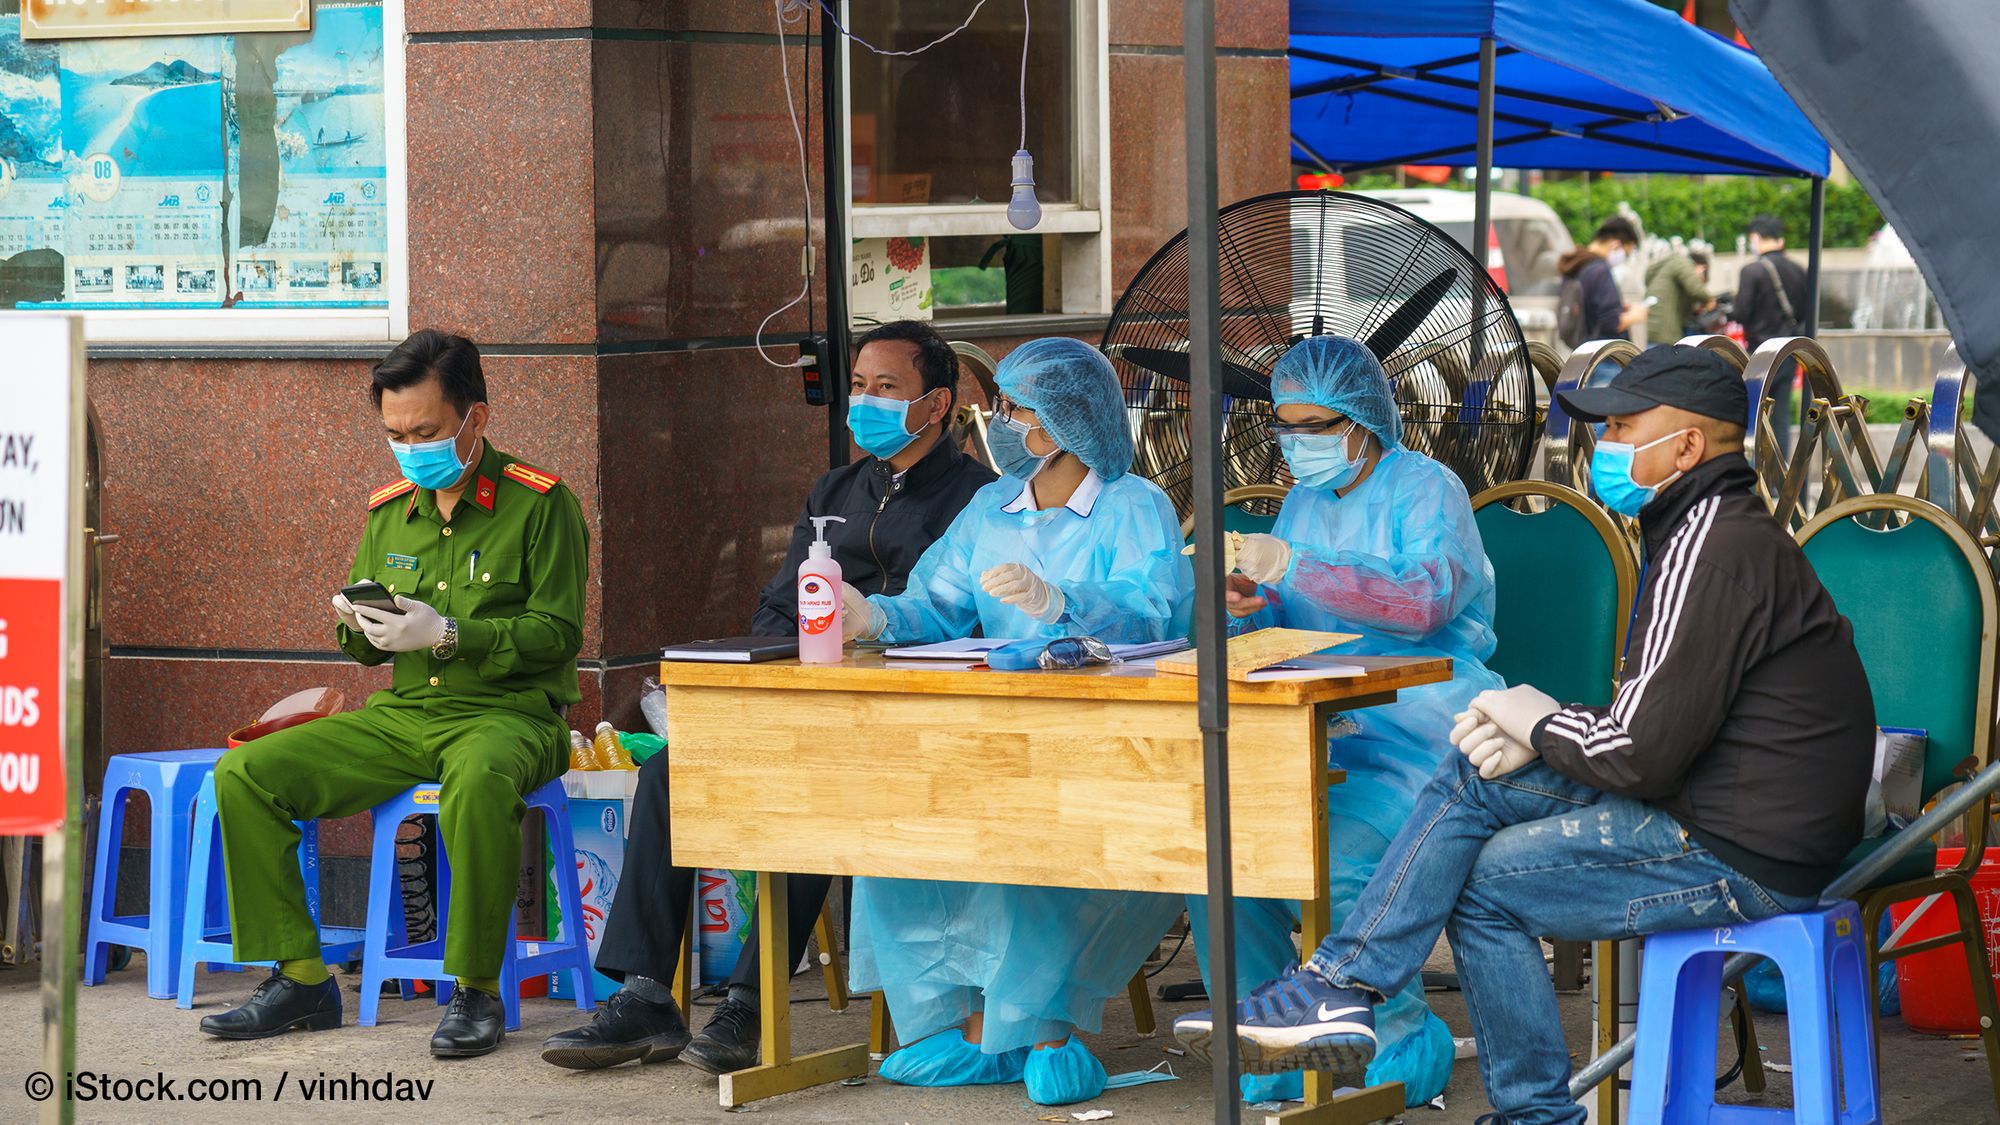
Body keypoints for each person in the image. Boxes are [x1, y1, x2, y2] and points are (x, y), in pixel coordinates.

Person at [1175, 345, 1876, 1125]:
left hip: (1742, 845)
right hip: (1717, 796)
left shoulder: (1711, 549)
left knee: (1479, 881)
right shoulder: (1707, 530)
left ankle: (1469, 1070)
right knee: (1476, 774)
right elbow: (1655, 729)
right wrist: (1535, 732)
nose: (1604, 445)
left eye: (1623, 426)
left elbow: (1637, 751)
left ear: (1684, 447)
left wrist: (1538, 719)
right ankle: (1344, 989)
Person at [540, 320, 994, 1074]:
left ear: (938, 403)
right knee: (668, 775)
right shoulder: (838, 489)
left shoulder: (977, 499)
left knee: (813, 798)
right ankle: (647, 993)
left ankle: (748, 1004)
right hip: (801, 707)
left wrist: (873, 636)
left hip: (906, 728)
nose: (865, 401)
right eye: (859, 385)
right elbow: (779, 607)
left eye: (888, 388)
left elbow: (967, 620)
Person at [201, 330, 589, 1058]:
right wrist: (358, 625)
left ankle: (477, 990)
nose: (411, 448)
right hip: (405, 716)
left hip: (509, 717)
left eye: (426, 431)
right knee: (245, 773)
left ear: (476, 418)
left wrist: (449, 633)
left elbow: (558, 634)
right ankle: (302, 976)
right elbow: (363, 642)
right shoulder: (391, 510)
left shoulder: (541, 504)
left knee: (476, 781)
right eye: (395, 434)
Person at [838, 336, 1193, 1106]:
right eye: (1001, 407)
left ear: (1069, 418)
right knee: (896, 835)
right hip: (1000, 731)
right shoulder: (990, 508)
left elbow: (1155, 611)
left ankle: (1041, 1028)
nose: (1001, 423)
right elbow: (936, 603)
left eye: (1018, 409)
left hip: (1109, 738)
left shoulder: (1137, 506)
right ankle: (969, 1026)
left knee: (1031, 844)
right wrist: (870, 616)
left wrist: (1063, 606)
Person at [1189, 335, 1501, 1107]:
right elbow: (1298, 615)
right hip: (1315, 717)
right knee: (1221, 851)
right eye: (1284, 427)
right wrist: (1251, 600)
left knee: (1340, 854)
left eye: (1314, 427)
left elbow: (1424, 599)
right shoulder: (1300, 501)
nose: (1296, 445)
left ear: (1362, 419)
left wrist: (1289, 565)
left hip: (1418, 721)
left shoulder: (1429, 489)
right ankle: (1270, 1034)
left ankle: (1396, 1030)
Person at [1732, 214, 1810, 449]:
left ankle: (1757, 473)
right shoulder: (1799, 270)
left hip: (1760, 353)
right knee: (1781, 416)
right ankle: (1782, 478)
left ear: (1755, 237)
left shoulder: (1752, 271)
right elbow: (1807, 311)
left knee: (1754, 413)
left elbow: (1741, 313)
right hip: (1788, 351)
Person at [1557, 216, 1644, 349]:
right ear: (1616, 244)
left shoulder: (1576, 264)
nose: (1624, 258)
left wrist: (1619, 307)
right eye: (1626, 253)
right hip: (1604, 358)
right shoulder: (1600, 271)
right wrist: (1636, 315)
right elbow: (1612, 323)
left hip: (1582, 353)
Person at [1644, 245, 1715, 347]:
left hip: (1653, 330)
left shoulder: (1668, 267)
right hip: (1665, 333)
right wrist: (1710, 300)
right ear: (1702, 267)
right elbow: (1695, 288)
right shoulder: (1683, 262)